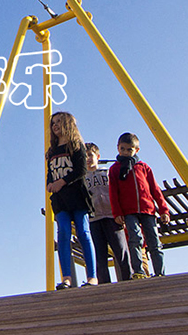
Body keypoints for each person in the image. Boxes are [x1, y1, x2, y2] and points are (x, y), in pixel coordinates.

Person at [46, 111, 98, 289]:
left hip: (77, 196)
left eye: (59, 121)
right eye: (53, 123)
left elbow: (81, 170)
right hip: (60, 200)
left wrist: (62, 182)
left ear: (68, 123)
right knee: (63, 235)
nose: (55, 125)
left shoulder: (76, 145)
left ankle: (92, 276)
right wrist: (50, 184)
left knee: (83, 232)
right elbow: (50, 172)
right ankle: (66, 278)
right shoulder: (52, 151)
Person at [108, 132, 170, 278]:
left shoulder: (144, 167)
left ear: (136, 150)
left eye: (129, 149)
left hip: (147, 210)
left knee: (154, 240)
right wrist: (117, 213)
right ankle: (138, 271)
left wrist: (163, 210)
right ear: (118, 148)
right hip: (129, 212)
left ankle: (160, 272)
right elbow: (113, 193)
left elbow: (155, 190)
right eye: (122, 149)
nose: (125, 152)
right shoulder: (115, 169)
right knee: (135, 239)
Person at [85, 142, 131, 283]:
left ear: (97, 156)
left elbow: (118, 192)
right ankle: (104, 284)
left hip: (112, 216)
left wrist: (120, 213)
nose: (87, 158)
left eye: (90, 155)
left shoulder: (107, 172)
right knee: (99, 255)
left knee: (121, 251)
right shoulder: (82, 179)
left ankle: (128, 280)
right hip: (94, 219)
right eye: (84, 156)